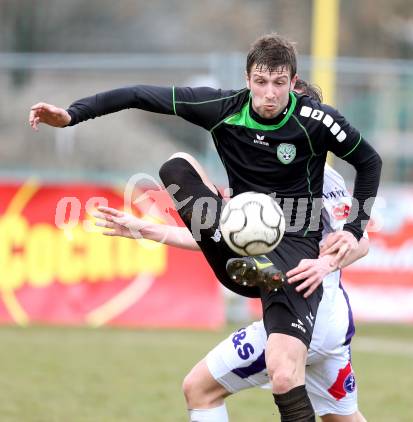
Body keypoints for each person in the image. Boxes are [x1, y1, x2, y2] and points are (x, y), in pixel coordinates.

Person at [29, 34, 382, 421]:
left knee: (280, 381)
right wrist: (73, 115)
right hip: (261, 266)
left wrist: (345, 239)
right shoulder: (223, 108)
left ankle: (265, 268)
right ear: (248, 80)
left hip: (303, 277)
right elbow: (140, 94)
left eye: (279, 84)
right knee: (177, 168)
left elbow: (367, 182)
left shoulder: (320, 144)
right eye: (261, 82)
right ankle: (260, 265)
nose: (270, 94)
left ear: (293, 85)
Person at [93, 163, 368, 422]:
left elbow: (361, 241)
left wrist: (326, 263)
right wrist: (147, 230)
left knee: (199, 389)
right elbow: (227, 239)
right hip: (329, 324)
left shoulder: (315, 168)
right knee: (344, 417)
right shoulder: (255, 165)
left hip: (310, 317)